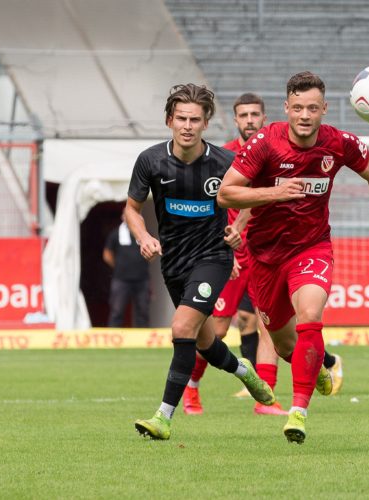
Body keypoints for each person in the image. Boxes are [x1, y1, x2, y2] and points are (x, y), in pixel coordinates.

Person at [218, 71, 369, 443]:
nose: (304, 115)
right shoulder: (266, 142)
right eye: (297, 107)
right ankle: (319, 369)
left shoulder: (340, 143)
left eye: (312, 108)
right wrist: (274, 192)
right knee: (285, 345)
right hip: (265, 258)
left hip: (311, 248)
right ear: (286, 108)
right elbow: (226, 194)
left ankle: (298, 412)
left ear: (324, 110)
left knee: (311, 315)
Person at [127, 83, 275, 441]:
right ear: (169, 121)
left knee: (181, 329)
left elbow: (258, 195)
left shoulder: (225, 163)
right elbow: (131, 209)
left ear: (206, 123)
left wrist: (238, 227)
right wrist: (144, 236)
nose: (188, 126)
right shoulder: (151, 160)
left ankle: (163, 417)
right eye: (181, 118)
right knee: (206, 341)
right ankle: (242, 369)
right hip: (173, 265)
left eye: (195, 119)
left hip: (213, 258)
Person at [103, 214, 150, 327]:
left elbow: (152, 251)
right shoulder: (115, 234)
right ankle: (114, 339)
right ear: (123, 217)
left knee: (143, 312)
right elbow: (107, 254)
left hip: (142, 279)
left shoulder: (145, 235)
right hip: (121, 279)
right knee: (117, 311)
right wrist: (118, 266)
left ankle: (142, 340)